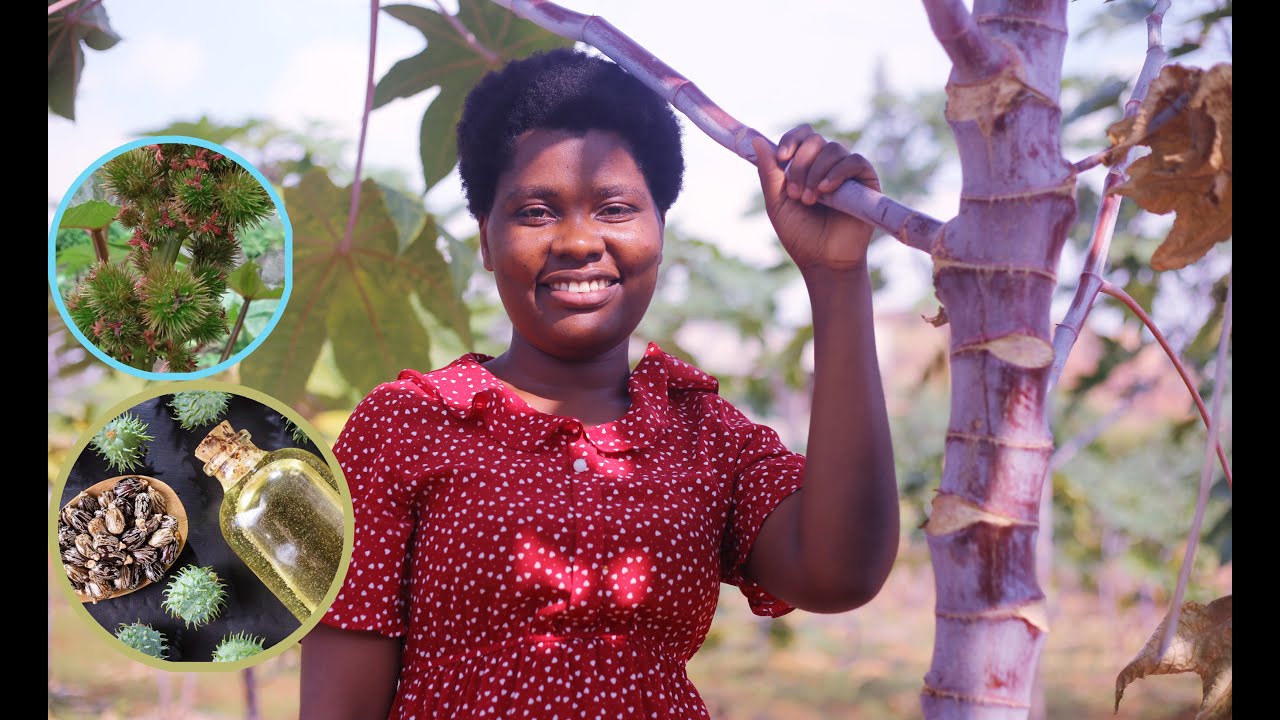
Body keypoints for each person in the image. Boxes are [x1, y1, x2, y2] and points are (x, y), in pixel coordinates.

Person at [299, 47, 898, 720]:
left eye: (614, 208)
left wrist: (836, 277)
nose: (579, 241)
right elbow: (337, 705)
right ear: (486, 240)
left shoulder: (706, 437)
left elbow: (841, 572)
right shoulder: (403, 426)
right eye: (535, 212)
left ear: (660, 229)